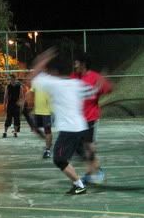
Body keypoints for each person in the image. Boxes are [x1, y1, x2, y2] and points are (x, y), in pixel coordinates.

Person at [30, 47, 97, 195]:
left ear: (54, 72)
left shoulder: (53, 83)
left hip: (70, 130)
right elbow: (92, 94)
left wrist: (44, 58)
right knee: (80, 153)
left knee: (59, 159)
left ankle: (79, 185)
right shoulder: (77, 83)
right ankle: (90, 166)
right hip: (81, 127)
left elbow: (34, 74)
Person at [71, 52, 112, 183]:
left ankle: (96, 171)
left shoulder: (95, 77)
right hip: (77, 119)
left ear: (83, 63)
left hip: (90, 118)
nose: (74, 64)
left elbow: (109, 89)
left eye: (76, 62)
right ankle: (91, 171)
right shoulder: (74, 77)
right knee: (79, 148)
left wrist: (102, 84)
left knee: (88, 146)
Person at [30, 83, 54, 158]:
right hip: (37, 111)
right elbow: (31, 93)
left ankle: (47, 150)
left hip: (47, 111)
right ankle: (48, 141)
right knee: (35, 129)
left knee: (47, 130)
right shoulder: (37, 82)